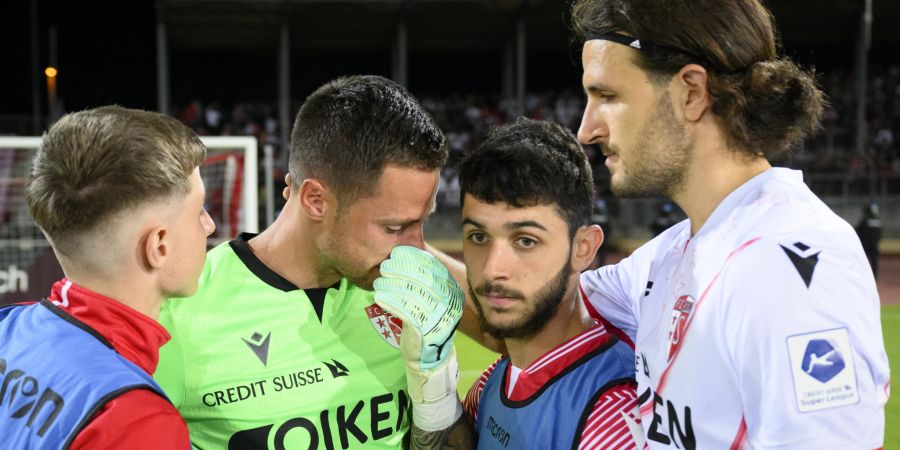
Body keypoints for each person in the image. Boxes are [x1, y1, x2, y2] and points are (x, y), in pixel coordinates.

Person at [572, 0, 890, 448]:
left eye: (607, 96)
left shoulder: (787, 267)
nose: (587, 129)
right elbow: (533, 308)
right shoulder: (672, 253)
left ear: (691, 92)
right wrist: (432, 260)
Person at [154, 75, 473, 449]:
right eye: (394, 226)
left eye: (422, 222)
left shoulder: (407, 295)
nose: (417, 249)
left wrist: (435, 387)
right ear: (316, 200)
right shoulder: (180, 311)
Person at [0, 106, 214, 449]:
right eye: (199, 210)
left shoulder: (7, 327)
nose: (209, 226)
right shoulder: (134, 421)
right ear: (159, 244)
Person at [458, 118, 641, 449]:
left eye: (526, 240)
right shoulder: (495, 379)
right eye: (479, 236)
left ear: (583, 249)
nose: (492, 269)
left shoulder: (609, 417)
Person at [856, 202, 882, 279]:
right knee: (874, 262)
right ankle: (874, 277)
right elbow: (879, 234)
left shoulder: (865, 220)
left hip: (865, 245)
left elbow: (858, 231)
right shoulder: (878, 221)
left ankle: (862, 275)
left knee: (862, 260)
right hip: (874, 245)